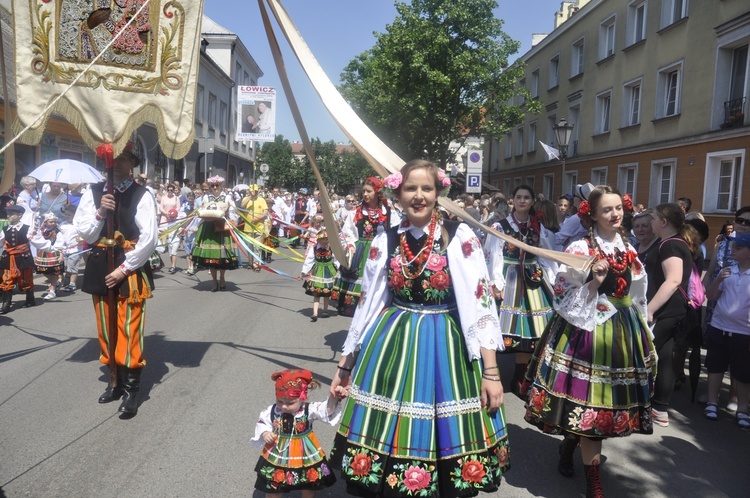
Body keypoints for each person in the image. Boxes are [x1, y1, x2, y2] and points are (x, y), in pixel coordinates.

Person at [329, 160, 509, 497]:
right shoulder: (386, 239)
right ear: (398, 193)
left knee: (447, 438)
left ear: (438, 192)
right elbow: (368, 305)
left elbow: (480, 305)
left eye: (427, 188)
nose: (419, 196)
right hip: (393, 342)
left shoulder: (459, 236)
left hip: (448, 344)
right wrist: (345, 364)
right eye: (411, 188)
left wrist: (491, 372)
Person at [523, 186, 656, 497]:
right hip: (588, 330)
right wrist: (593, 282)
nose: (614, 214)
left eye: (618, 208)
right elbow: (561, 293)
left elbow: (638, 291)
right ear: (592, 215)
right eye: (607, 210)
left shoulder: (628, 246)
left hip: (623, 330)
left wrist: (644, 327)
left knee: (609, 404)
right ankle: (594, 484)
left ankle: (570, 446)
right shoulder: (581, 248)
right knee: (589, 403)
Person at [74, 143, 158, 417]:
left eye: (124, 159)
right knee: (106, 327)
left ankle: (132, 389)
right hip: (100, 264)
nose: (118, 164)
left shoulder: (142, 193)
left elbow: (149, 239)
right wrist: (100, 212)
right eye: (114, 159)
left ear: (132, 162)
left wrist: (125, 268)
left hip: (128, 269)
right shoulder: (94, 191)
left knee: (129, 328)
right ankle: (115, 381)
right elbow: (86, 233)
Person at [485, 185, 558, 398]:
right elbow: (493, 253)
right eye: (519, 197)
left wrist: (552, 279)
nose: (523, 201)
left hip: (533, 279)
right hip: (509, 277)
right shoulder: (501, 225)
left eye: (527, 197)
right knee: (503, 328)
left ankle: (520, 377)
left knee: (531, 330)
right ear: (512, 200)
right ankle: (491, 374)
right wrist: (496, 282)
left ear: (533, 201)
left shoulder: (539, 227)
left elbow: (546, 253)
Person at [644, 202, 696, 428]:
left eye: (653, 218)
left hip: (665, 311)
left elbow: (673, 280)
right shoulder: (671, 242)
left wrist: (650, 309)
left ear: (663, 222)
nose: (650, 223)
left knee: (644, 353)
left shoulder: (671, 245)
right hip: (670, 311)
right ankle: (660, 408)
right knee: (665, 358)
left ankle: (642, 404)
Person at [253, 369, 344, 496]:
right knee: (273, 484)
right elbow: (262, 422)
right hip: (278, 451)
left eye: (290, 403)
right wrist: (265, 433)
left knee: (308, 482)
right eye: (280, 401)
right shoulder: (272, 410)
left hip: (304, 452)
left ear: (302, 398)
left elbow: (326, 410)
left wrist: (335, 398)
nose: (284, 406)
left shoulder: (308, 409)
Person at [703, 232, 750, 428]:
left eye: (738, 248)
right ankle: (712, 402)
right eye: (733, 247)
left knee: (743, 373)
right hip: (719, 327)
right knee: (715, 366)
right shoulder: (728, 271)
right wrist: (718, 280)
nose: (733, 251)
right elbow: (711, 295)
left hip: (744, 333)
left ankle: (742, 409)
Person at [331, 177, 391, 317]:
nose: (365, 194)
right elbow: (346, 233)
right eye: (363, 191)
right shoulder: (355, 212)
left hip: (381, 252)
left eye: (368, 191)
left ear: (377, 192)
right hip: (361, 252)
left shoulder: (387, 211)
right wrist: (351, 245)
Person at [191, 175, 239, 291]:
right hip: (208, 228)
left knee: (222, 257)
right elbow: (201, 211)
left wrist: (232, 221)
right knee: (211, 258)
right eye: (212, 185)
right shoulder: (206, 197)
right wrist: (196, 224)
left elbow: (233, 211)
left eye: (217, 185)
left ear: (221, 186)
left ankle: (222, 278)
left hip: (222, 228)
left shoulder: (227, 197)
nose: (215, 187)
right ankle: (214, 282)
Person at [0, 204, 36, 313]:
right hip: (9, 257)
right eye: (8, 214)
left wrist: (50, 248)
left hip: (23, 257)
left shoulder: (27, 228)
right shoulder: (5, 229)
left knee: (25, 279)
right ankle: (6, 304)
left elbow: (36, 240)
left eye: (12, 214)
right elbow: (1, 241)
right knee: (7, 280)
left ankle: (30, 299)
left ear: (20, 215)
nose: (9, 216)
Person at [301, 231, 338, 322]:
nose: (325, 241)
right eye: (323, 239)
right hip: (317, 272)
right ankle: (315, 313)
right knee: (316, 293)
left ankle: (325, 310)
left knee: (326, 293)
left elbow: (336, 259)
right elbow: (309, 260)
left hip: (328, 272)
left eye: (327, 239)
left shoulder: (331, 248)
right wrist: (304, 272)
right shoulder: (313, 249)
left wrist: (338, 268)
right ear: (319, 240)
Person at [31, 212, 66, 300]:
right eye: (51, 222)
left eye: (54, 222)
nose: (53, 223)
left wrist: (61, 255)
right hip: (43, 253)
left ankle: (52, 291)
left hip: (54, 253)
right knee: (43, 270)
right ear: (46, 222)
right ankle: (56, 282)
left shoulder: (57, 232)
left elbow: (60, 244)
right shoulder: (41, 230)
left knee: (53, 273)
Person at [555, 183, 594, 249]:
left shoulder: (577, 218)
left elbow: (558, 239)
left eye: (575, 195)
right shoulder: (588, 217)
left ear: (579, 200)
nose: (573, 197)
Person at [240, 185, 269, 271]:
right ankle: (250, 262)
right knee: (249, 246)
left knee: (257, 246)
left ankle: (256, 264)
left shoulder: (261, 200)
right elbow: (242, 206)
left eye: (256, 191)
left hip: (258, 227)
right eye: (253, 191)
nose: (254, 193)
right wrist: (250, 197)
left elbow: (265, 212)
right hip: (248, 227)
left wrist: (257, 219)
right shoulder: (246, 199)